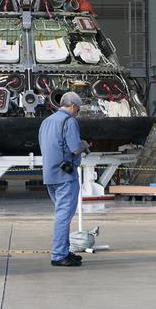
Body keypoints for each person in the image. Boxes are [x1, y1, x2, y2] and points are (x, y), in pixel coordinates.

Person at [39, 91, 89, 267]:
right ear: (74, 106)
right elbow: (75, 148)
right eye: (78, 109)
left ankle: (64, 250)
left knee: (62, 214)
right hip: (65, 176)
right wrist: (84, 145)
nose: (77, 112)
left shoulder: (46, 122)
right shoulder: (69, 121)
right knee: (63, 216)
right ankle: (59, 254)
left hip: (50, 175)